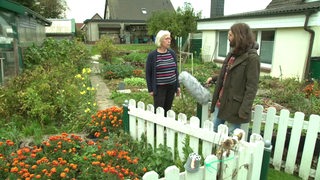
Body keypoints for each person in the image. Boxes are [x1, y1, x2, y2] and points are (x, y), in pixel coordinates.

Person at [207, 23, 260, 134]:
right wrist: (214, 78)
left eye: (230, 35)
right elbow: (229, 73)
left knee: (232, 136)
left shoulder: (252, 58)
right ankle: (213, 151)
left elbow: (252, 87)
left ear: (239, 36)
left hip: (235, 106)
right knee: (214, 131)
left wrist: (244, 110)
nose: (228, 38)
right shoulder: (232, 53)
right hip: (221, 101)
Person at [145, 30, 181, 115]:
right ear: (160, 40)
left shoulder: (172, 53)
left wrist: (177, 86)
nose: (169, 40)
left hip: (171, 87)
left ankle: (165, 128)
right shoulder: (152, 55)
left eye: (170, 38)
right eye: (166, 39)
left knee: (168, 110)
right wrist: (150, 89)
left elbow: (175, 71)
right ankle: (156, 128)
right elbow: (148, 73)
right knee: (159, 111)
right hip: (159, 88)